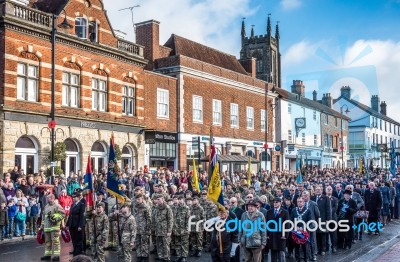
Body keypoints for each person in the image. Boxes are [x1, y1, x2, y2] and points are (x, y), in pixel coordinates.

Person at [40, 194, 65, 261]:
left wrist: (55, 218)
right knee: (47, 242)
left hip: (54, 227)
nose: (47, 199)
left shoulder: (57, 206)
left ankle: (57, 256)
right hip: (46, 228)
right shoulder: (46, 206)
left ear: (52, 198)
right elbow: (43, 218)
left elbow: (63, 214)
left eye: (48, 198)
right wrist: (41, 227)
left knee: (55, 242)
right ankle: (48, 255)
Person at [266, 197, 290, 262]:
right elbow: (267, 224)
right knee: (273, 253)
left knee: (281, 254)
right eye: (274, 202)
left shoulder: (285, 212)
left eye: (277, 202)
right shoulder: (269, 211)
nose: (275, 203)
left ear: (280, 202)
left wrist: (285, 235)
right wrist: (267, 235)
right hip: (272, 235)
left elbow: (287, 224)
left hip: (281, 235)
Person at [152, 193, 174, 261]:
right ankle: (160, 256)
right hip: (158, 229)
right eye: (156, 199)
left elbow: (170, 220)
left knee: (166, 244)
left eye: (159, 199)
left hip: (165, 230)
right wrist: (153, 228)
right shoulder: (156, 208)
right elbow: (154, 218)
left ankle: (166, 257)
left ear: (163, 199)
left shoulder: (167, 208)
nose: (157, 201)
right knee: (159, 244)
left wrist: (169, 231)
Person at [311, 185, 331, 256]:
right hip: (315, 220)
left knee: (323, 234)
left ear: (322, 190)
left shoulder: (326, 198)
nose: (317, 191)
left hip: (323, 219)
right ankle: (318, 249)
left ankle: (323, 249)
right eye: (316, 189)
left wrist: (328, 219)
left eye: (319, 189)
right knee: (316, 235)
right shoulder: (312, 198)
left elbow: (328, 209)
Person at [291, 196, 312, 262]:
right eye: (298, 202)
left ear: (303, 202)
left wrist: (303, 227)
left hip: (304, 231)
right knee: (296, 245)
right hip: (296, 230)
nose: (299, 203)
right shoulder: (294, 210)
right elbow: (291, 220)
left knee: (305, 246)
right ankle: (297, 259)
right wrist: (295, 226)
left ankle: (306, 259)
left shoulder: (308, 210)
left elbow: (310, 220)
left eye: (300, 202)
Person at [133, 193, 151, 262]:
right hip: (136, 228)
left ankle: (144, 256)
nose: (137, 200)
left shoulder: (146, 207)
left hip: (144, 228)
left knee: (144, 243)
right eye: (136, 199)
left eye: (139, 199)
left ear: (142, 199)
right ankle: (139, 255)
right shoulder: (135, 206)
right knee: (137, 242)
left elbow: (149, 218)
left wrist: (148, 228)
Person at [67, 192, 86, 257]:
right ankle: (75, 252)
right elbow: (70, 215)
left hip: (78, 225)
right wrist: (68, 224)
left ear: (78, 197)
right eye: (73, 197)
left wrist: (80, 225)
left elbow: (82, 216)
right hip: (72, 224)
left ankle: (78, 253)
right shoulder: (72, 205)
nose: (73, 198)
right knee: (73, 239)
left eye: (75, 197)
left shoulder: (81, 205)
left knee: (79, 239)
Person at [173, 195, 191, 262]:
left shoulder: (186, 208)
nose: (179, 200)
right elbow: (173, 219)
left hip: (184, 229)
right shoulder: (175, 208)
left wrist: (187, 229)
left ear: (183, 200)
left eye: (181, 199)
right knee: (177, 243)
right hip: (176, 229)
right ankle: (179, 256)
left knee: (184, 243)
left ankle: (183, 256)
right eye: (178, 199)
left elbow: (188, 220)